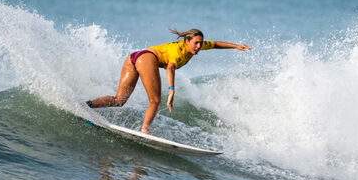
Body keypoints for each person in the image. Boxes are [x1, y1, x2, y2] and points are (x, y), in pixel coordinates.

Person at [87, 28, 251, 134]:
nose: (199, 46)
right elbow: (170, 68)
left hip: (133, 57)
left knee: (119, 100)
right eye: (196, 43)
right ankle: (145, 129)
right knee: (156, 100)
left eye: (201, 43)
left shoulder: (193, 45)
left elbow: (215, 44)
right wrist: (172, 90)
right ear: (187, 42)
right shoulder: (179, 52)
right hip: (146, 58)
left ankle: (87, 105)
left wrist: (236, 46)